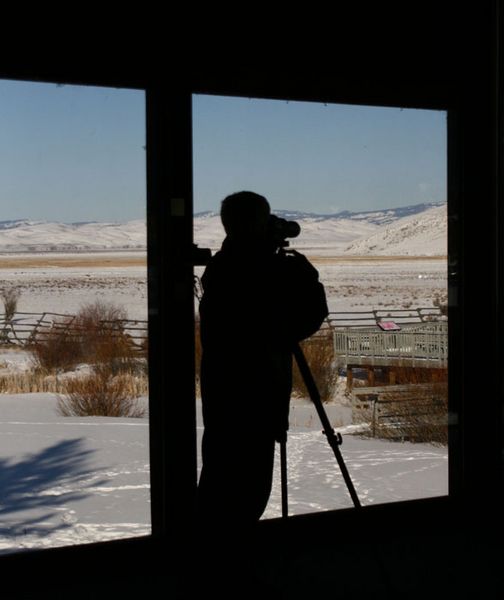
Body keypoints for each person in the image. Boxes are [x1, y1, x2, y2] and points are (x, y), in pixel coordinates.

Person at [196, 191, 328, 532]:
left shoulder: (221, 267)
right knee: (248, 494)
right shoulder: (265, 271)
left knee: (218, 483)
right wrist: (304, 276)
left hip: (222, 397)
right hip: (258, 397)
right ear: (259, 223)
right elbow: (302, 322)